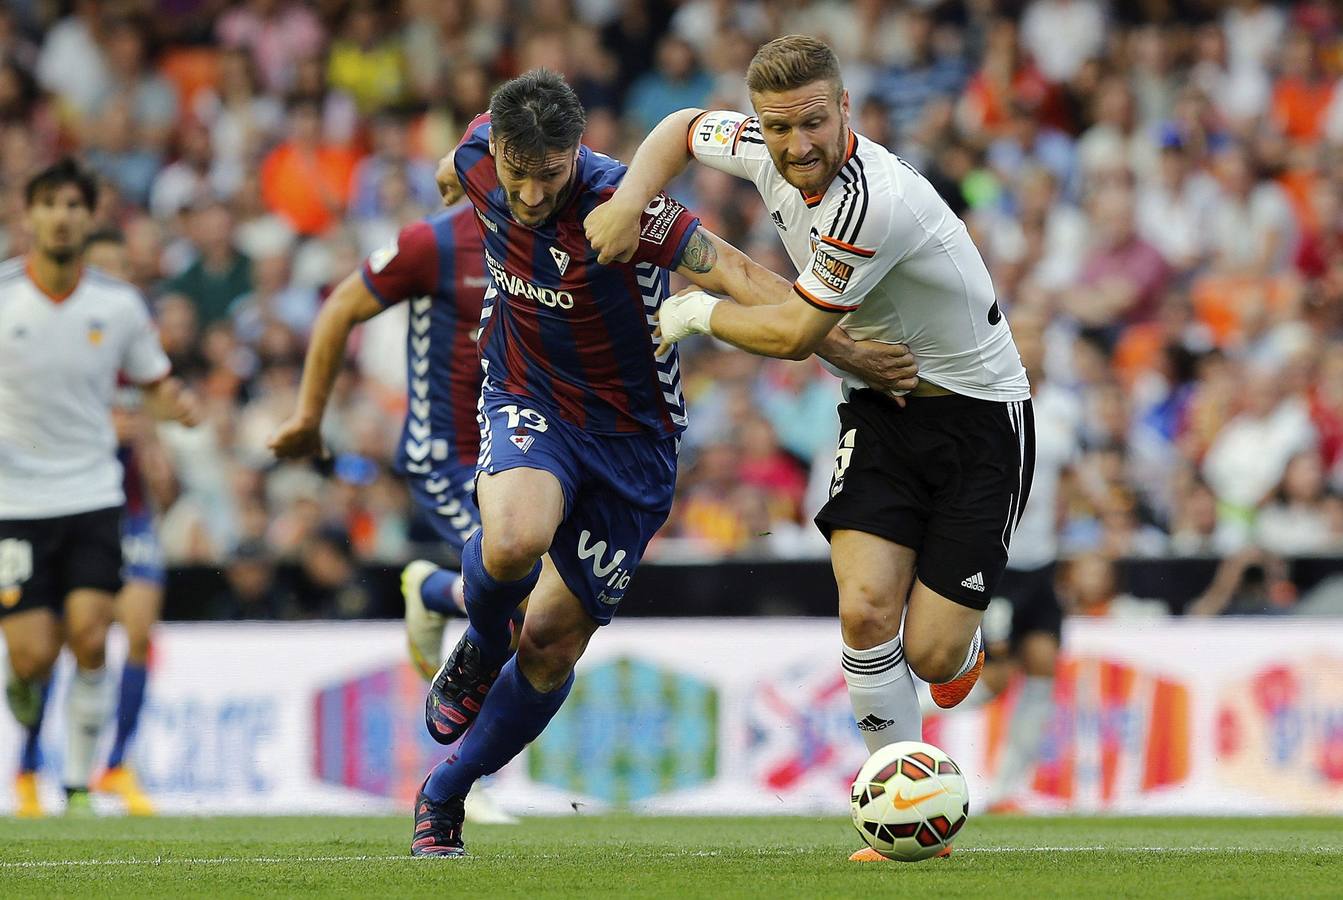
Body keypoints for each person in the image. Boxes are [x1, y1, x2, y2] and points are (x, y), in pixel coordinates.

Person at [409, 69, 915, 858]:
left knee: (548, 645)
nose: (532, 196)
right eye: (517, 173)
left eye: (549, 175)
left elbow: (742, 276)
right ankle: (477, 639)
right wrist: (450, 180)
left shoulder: (625, 206)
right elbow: (453, 165)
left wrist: (848, 352)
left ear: (576, 153)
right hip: (527, 396)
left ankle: (445, 791)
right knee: (512, 540)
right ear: (496, 150)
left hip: (630, 440)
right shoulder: (481, 155)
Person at [585, 36, 1034, 859]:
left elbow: (794, 333)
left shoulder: (874, 201)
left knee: (933, 656)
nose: (797, 146)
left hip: (977, 420)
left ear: (845, 110)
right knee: (864, 610)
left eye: (814, 125)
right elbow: (683, 126)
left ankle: (963, 642)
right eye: (779, 128)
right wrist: (627, 201)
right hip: (878, 411)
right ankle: (900, 810)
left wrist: (693, 314)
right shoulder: (760, 144)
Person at [267, 200, 520, 825]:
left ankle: (433, 590)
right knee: (512, 599)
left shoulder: (556, 232)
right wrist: (308, 416)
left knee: (535, 606)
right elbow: (341, 307)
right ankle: (461, 777)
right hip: (447, 455)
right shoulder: (432, 243)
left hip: (520, 451)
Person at [1, 159, 198, 817]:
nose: (61, 216)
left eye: (72, 205)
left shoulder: (116, 307)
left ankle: (80, 785)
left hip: (92, 493)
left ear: (87, 219)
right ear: (28, 216)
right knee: (31, 656)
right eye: (49, 204)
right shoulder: (3, 296)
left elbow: (154, 384)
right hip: (16, 503)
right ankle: (25, 694)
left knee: (91, 635)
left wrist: (181, 408)